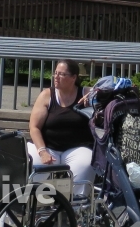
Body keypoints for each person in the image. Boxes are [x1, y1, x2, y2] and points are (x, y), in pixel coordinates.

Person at [28, 59, 94, 197]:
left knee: (87, 164)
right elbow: (34, 127)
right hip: (48, 147)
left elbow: (112, 89)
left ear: (74, 78)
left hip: (77, 148)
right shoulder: (47, 95)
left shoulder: (86, 93)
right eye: (55, 73)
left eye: (62, 74)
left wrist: (96, 93)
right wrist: (42, 151)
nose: (56, 77)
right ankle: (33, 207)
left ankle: (76, 208)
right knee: (32, 167)